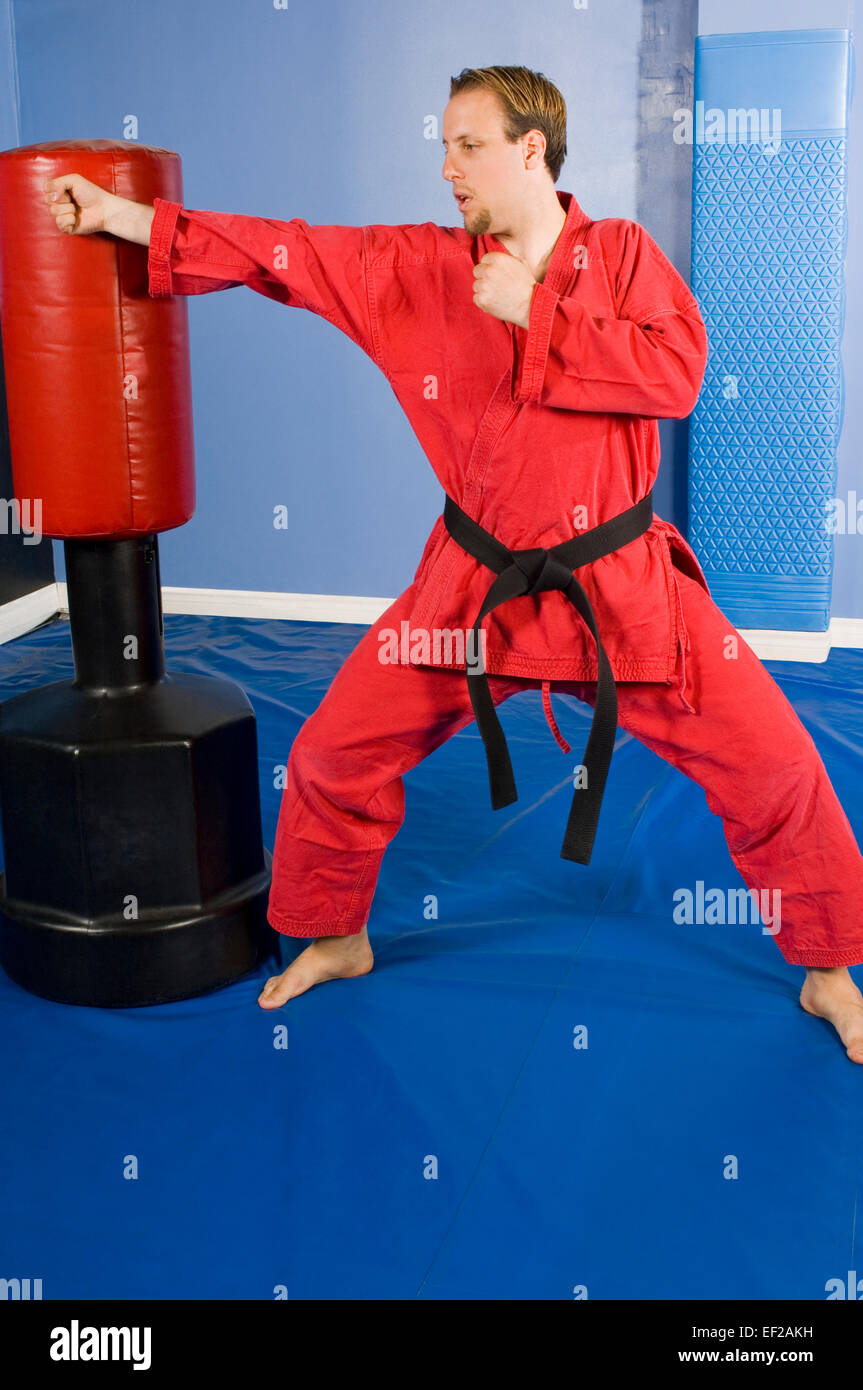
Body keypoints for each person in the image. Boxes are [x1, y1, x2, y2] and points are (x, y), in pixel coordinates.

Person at [44, 66, 863, 1061]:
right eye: (441, 147)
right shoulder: (422, 272)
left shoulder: (620, 256)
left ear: (531, 151)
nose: (445, 168)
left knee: (776, 767)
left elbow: (678, 372)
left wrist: (537, 313)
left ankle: (830, 968)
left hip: (621, 597)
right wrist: (121, 215)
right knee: (331, 757)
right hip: (472, 594)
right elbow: (287, 252)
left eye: (466, 146)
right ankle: (336, 936)